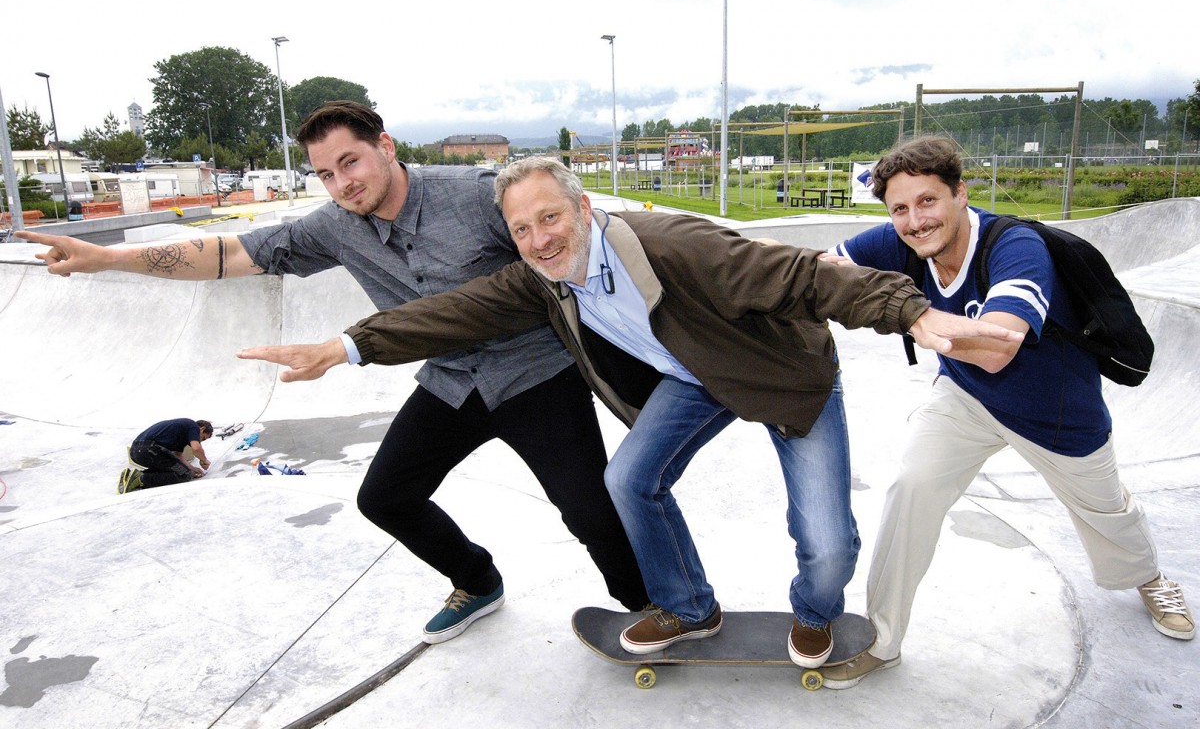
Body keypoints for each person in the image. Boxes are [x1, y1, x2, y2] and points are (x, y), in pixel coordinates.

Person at [236, 156, 1022, 666]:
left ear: (581, 208)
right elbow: (452, 314)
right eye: (522, 230)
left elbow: (806, 278)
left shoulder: (673, 243)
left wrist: (915, 316)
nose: (541, 240)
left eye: (551, 218)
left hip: (781, 375)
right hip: (692, 379)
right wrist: (344, 347)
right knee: (628, 480)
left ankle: (816, 614)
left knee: (822, 538)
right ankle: (688, 608)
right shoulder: (538, 278)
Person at [15, 101, 648, 645]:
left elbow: (563, 242)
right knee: (384, 498)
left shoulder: (476, 193)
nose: (342, 184)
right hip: (453, 382)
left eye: (351, 162)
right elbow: (230, 253)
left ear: (385, 147)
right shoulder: (336, 228)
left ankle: (652, 609)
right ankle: (476, 579)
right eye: (324, 174)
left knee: (590, 512)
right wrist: (108, 256)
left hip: (535, 373)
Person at [818, 135, 1194, 688]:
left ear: (960, 194)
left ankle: (1149, 576)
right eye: (900, 208)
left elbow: (996, 349)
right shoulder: (899, 239)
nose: (915, 220)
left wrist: (908, 313)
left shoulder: (1014, 246)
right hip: (965, 400)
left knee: (1108, 512)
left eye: (928, 201)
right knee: (912, 489)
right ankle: (882, 638)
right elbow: (825, 270)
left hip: (1056, 414)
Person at [121, 418, 213, 492]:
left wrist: (192, 468)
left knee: (179, 470)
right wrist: (204, 460)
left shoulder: (181, 431)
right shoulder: (193, 426)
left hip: (136, 452)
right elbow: (196, 448)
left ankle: (134, 475)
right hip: (150, 450)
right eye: (203, 438)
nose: (200, 441)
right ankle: (141, 478)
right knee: (184, 475)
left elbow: (178, 456)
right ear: (202, 429)